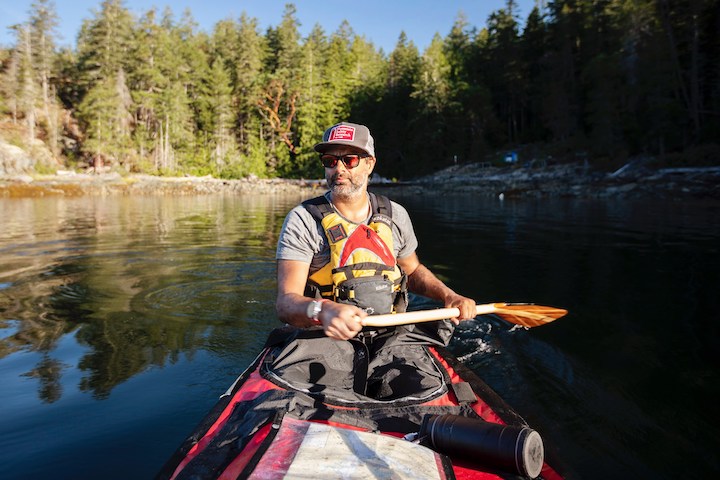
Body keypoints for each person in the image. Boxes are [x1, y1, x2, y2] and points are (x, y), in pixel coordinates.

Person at [271, 121, 476, 401]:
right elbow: (286, 303)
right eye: (330, 161)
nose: (338, 169)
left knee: (423, 393)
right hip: (325, 336)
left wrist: (449, 296)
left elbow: (412, 271)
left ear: (369, 163)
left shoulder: (395, 215)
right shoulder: (303, 220)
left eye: (349, 159)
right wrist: (324, 309)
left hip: (391, 334)